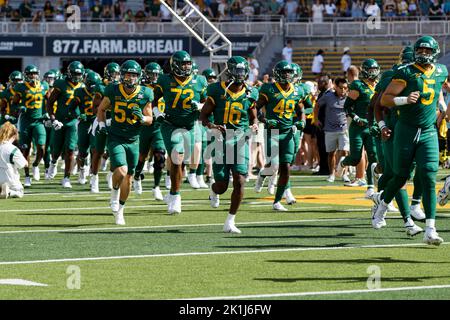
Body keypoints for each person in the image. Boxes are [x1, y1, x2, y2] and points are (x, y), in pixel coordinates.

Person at [374, 36, 448, 246]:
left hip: (428, 132)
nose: (423, 53)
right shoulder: (405, 71)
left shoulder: (441, 70)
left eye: (427, 50)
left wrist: (441, 103)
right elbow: (385, 99)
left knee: (428, 175)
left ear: (434, 52)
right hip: (406, 130)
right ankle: (382, 204)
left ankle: (430, 229)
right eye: (421, 50)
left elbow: (439, 89)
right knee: (400, 175)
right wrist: (404, 100)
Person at [369, 45, 425, 236]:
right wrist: (383, 126)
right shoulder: (393, 75)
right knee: (399, 176)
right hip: (394, 131)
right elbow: (376, 105)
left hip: (416, 130)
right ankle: (408, 221)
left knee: (400, 173)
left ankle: (381, 198)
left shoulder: (428, 75)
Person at [200, 56, 259, 233]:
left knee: (240, 180)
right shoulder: (216, 90)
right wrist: (212, 126)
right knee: (222, 185)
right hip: (220, 139)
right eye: (238, 71)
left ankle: (230, 221)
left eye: (243, 71)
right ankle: (213, 189)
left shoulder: (250, 92)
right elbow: (203, 116)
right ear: (230, 71)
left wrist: (255, 123)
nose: (241, 75)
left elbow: (253, 113)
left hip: (240, 138)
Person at [96, 60, 153, 225]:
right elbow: (101, 109)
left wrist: (142, 118)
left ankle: (120, 211)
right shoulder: (113, 89)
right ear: (122, 75)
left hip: (134, 140)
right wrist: (101, 124)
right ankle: (114, 194)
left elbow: (149, 119)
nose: (131, 78)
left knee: (128, 177)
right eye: (128, 74)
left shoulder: (146, 93)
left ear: (139, 76)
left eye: (134, 75)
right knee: (121, 171)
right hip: (116, 137)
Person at [153, 50, 207, 214]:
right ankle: (176, 197)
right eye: (183, 63)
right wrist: (157, 113)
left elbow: (207, 103)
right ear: (174, 65)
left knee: (182, 161)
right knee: (177, 156)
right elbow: (154, 100)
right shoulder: (164, 80)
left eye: (188, 63)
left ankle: (172, 191)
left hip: (190, 126)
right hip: (170, 124)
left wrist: (198, 106)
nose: (186, 66)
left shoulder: (200, 80)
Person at [255, 61, 306, 211]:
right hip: (273, 132)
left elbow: (301, 110)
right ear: (277, 74)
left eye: (289, 72)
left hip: (288, 132)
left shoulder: (297, 91)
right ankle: (262, 174)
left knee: (286, 167)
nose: (287, 75)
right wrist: (264, 120)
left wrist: (301, 121)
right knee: (274, 167)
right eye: (284, 72)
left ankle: (277, 201)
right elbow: (255, 108)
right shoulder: (268, 89)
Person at [336, 59, 380, 198]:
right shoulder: (358, 85)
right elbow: (347, 107)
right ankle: (343, 163)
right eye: (370, 70)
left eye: (375, 70)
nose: (373, 73)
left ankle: (370, 188)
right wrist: (356, 118)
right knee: (355, 158)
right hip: (358, 126)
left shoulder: (378, 86)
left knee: (373, 157)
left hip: (372, 126)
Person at [46, 61, 85, 188]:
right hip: (60, 120)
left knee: (70, 150)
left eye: (79, 74)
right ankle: (53, 163)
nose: (77, 76)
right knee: (56, 149)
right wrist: (53, 119)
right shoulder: (61, 84)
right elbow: (50, 103)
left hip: (73, 121)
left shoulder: (83, 86)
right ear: (69, 73)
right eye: (74, 73)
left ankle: (66, 178)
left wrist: (84, 115)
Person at [133, 62, 167, 201]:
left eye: (156, 74)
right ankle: (136, 177)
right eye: (151, 74)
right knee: (141, 157)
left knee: (160, 156)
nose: (154, 77)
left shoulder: (164, 86)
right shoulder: (140, 88)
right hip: (143, 126)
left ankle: (156, 187)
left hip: (159, 126)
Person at [12, 65, 49, 187]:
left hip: (39, 121)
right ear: (26, 75)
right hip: (26, 122)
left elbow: (49, 101)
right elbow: (14, 105)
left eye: (34, 73)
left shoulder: (44, 85)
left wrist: (48, 113)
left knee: (41, 147)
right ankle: (27, 176)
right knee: (25, 149)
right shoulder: (20, 87)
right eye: (30, 74)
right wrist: (19, 108)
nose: (33, 76)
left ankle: (36, 165)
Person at [90, 62, 120, 193]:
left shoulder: (121, 87)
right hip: (102, 120)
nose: (116, 76)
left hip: (117, 122)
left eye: (118, 74)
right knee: (98, 151)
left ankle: (110, 174)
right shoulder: (101, 87)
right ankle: (94, 178)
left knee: (116, 151)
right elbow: (95, 108)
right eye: (114, 74)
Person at [70, 70, 102, 185]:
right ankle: (82, 170)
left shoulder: (102, 90)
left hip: (96, 121)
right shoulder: (80, 92)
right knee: (83, 151)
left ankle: (94, 175)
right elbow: (71, 108)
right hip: (84, 123)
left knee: (96, 149)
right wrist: (78, 116)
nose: (93, 89)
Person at [317, 77, 349, 183]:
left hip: (343, 128)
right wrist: (316, 118)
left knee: (344, 152)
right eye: (341, 88)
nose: (343, 90)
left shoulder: (349, 97)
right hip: (329, 129)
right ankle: (332, 174)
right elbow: (317, 105)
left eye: (345, 88)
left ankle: (344, 174)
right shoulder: (328, 96)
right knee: (331, 153)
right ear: (335, 87)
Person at [0, 122, 27, 199]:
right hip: (9, 180)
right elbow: (24, 164)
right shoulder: (13, 149)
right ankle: (9, 192)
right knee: (20, 192)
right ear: (14, 134)